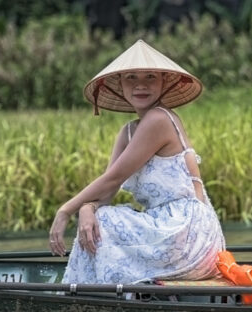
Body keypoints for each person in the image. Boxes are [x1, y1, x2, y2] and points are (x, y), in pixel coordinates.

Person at [48, 40, 225, 285]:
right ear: (120, 84)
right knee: (99, 217)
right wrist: (86, 208)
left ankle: (90, 297)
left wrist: (65, 210)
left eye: (150, 77)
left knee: (106, 220)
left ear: (163, 82)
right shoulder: (128, 132)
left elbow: (113, 178)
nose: (140, 85)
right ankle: (88, 298)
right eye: (131, 77)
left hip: (190, 233)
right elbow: (108, 190)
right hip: (164, 229)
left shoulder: (159, 119)